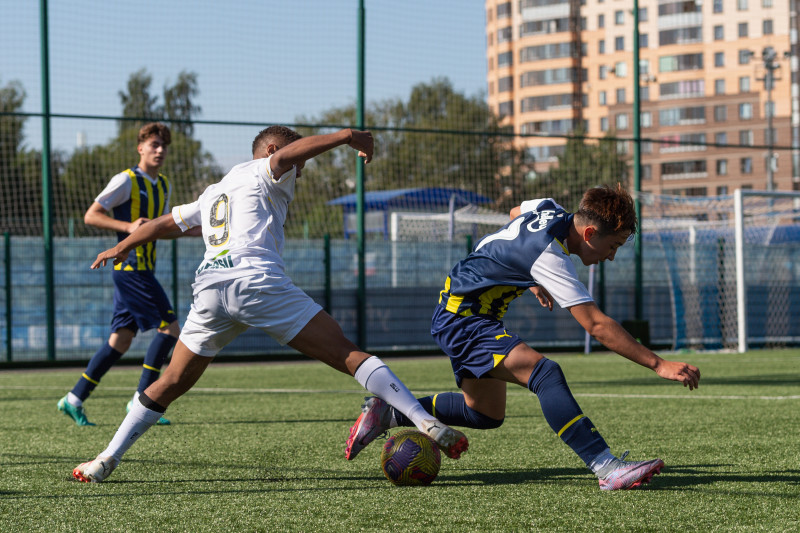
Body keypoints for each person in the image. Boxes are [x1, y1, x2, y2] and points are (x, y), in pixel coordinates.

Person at [71, 126, 468, 483]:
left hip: (210, 290)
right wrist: (348, 136)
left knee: (171, 381)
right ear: (274, 151)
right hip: (255, 283)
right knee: (347, 353)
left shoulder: (216, 190)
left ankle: (105, 459)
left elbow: (167, 223)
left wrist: (122, 245)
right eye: (298, 162)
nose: (300, 171)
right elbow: (283, 158)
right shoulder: (265, 168)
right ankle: (425, 420)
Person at [345, 184, 701, 491]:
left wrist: (526, 274)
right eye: (614, 246)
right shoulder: (550, 256)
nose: (612, 256)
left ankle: (390, 412)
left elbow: (517, 214)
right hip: (464, 320)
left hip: (463, 313)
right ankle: (606, 467)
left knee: (485, 414)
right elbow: (596, 325)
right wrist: (658, 364)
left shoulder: (549, 209)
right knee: (545, 373)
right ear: (590, 233)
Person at [58, 122, 188, 427]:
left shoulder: (164, 184)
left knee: (120, 341)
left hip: (144, 268)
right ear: (140, 148)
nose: (160, 150)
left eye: (164, 146)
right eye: (154, 144)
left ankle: (74, 398)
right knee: (170, 330)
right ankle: (141, 400)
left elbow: (158, 229)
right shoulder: (126, 180)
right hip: (131, 270)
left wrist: (191, 229)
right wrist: (128, 227)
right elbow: (91, 215)